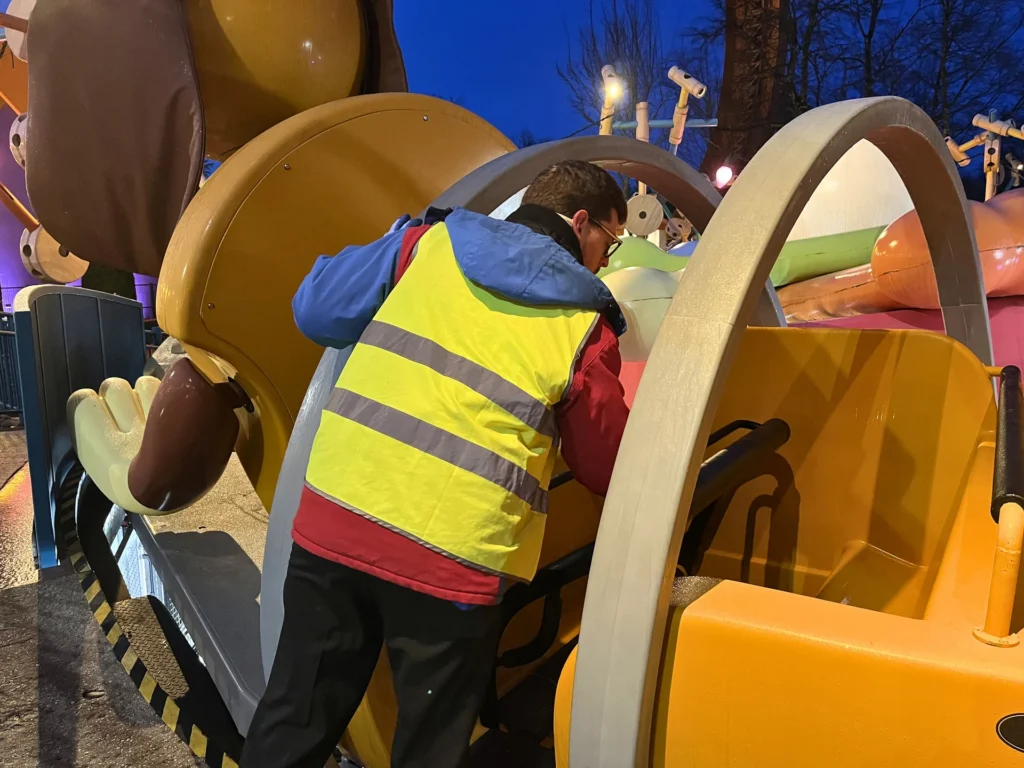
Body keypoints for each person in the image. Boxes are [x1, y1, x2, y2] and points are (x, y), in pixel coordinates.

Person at [241, 160, 631, 768]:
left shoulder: (428, 245)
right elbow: (607, 465)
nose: (607, 260)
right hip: (452, 563)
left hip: (336, 520)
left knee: (294, 718)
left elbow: (315, 308)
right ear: (580, 223)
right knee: (428, 750)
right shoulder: (585, 325)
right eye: (611, 239)